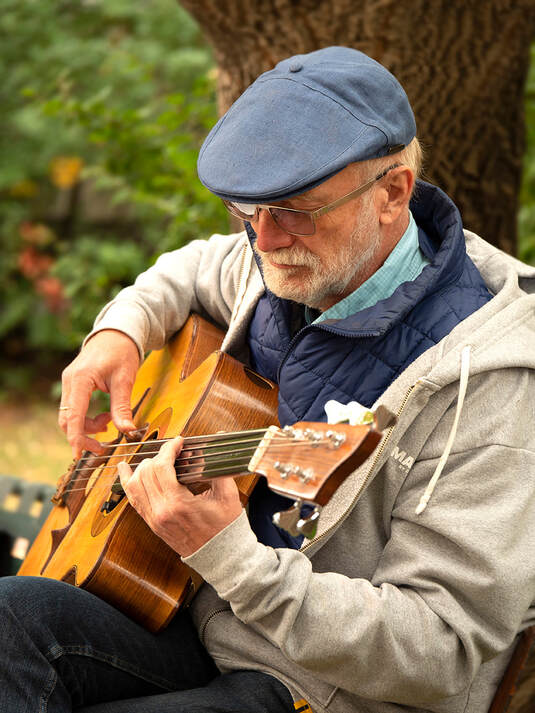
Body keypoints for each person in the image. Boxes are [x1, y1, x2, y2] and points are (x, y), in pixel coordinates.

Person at [1, 46, 535, 713]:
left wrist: (230, 557)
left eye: (292, 210)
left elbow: (441, 649)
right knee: (8, 616)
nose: (263, 239)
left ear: (391, 194)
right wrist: (120, 331)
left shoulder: (488, 383)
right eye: (245, 210)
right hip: (194, 615)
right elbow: (194, 267)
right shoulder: (297, 260)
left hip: (322, 688)